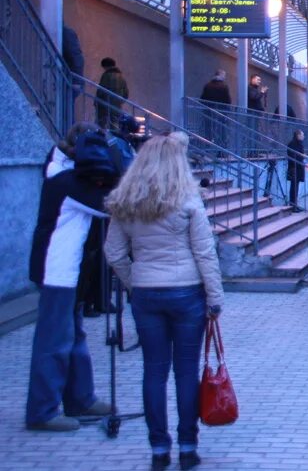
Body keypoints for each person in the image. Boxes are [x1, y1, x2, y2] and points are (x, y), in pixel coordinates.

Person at [103, 133, 224, 470]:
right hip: (187, 291)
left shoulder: (126, 202)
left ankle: (158, 448)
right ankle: (188, 446)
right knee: (186, 371)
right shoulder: (188, 201)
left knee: (153, 372)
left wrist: (134, 282)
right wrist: (214, 296)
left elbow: (113, 252)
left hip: (146, 292)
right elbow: (204, 252)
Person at [25, 131, 116, 434]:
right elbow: (111, 204)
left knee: (74, 336)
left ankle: (80, 398)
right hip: (57, 271)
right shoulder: (66, 182)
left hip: (70, 271)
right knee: (54, 340)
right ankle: (43, 410)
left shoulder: (68, 176)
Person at [199, 70, 232, 144]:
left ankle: (207, 146)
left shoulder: (207, 85)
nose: (225, 77)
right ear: (221, 75)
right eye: (224, 75)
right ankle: (221, 150)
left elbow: (202, 99)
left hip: (208, 112)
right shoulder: (224, 86)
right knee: (221, 130)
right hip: (221, 112)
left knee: (208, 129)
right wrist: (227, 111)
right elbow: (227, 100)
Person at [95, 57, 129, 130]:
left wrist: (96, 102)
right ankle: (114, 140)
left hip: (104, 105)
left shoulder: (106, 76)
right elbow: (126, 94)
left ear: (106, 66)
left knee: (101, 126)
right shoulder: (121, 77)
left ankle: (103, 140)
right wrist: (119, 101)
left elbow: (101, 90)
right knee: (115, 126)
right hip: (116, 106)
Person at [286, 129, 306, 211]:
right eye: (302, 135)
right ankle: (292, 205)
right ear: (298, 135)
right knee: (294, 187)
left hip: (298, 167)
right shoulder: (292, 144)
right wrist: (301, 156)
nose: (303, 136)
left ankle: (295, 205)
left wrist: (302, 156)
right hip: (294, 167)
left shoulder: (299, 144)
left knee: (296, 187)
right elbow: (293, 155)